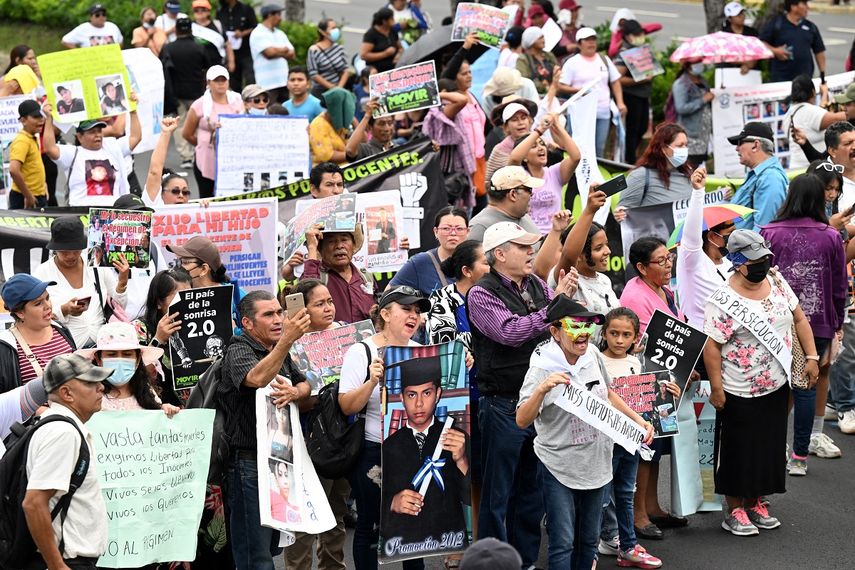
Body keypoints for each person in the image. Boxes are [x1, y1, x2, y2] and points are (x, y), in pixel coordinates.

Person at [467, 222, 577, 568]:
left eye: (531, 247)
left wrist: (560, 305)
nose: (531, 252)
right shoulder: (481, 293)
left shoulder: (534, 284)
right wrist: (554, 307)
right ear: (500, 254)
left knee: (532, 487)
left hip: (539, 399)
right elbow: (508, 332)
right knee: (497, 492)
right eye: (523, 247)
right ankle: (491, 562)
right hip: (502, 400)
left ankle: (525, 559)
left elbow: (553, 324)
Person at [516, 295, 653, 569]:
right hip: (559, 466)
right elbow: (522, 419)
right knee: (562, 542)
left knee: (588, 541)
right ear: (555, 331)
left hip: (597, 463)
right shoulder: (542, 366)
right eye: (574, 326)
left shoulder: (591, 353)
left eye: (588, 326)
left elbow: (608, 393)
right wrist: (543, 389)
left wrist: (639, 421)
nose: (583, 334)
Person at [704, 230, 819, 535]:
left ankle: (756, 501)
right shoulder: (723, 300)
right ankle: (735, 509)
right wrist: (716, 387)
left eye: (765, 258)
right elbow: (712, 347)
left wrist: (811, 356)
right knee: (738, 449)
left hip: (776, 383)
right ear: (739, 263)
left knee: (767, 445)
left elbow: (799, 319)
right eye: (755, 260)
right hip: (738, 386)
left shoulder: (777, 281)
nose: (762, 264)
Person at [338, 286, 431, 570]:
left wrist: (459, 364)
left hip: (415, 450)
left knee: (412, 525)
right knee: (369, 523)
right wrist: (371, 382)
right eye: (407, 309)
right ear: (386, 314)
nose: (414, 316)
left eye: (417, 311)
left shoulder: (426, 352)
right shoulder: (362, 351)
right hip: (374, 450)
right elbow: (347, 406)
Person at [216, 290, 310, 569]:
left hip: (279, 462)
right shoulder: (238, 349)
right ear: (247, 323)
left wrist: (294, 391)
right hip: (248, 465)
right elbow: (256, 378)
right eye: (268, 314)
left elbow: (306, 384)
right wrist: (285, 342)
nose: (278, 319)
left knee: (270, 546)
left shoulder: (276, 348)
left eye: (279, 312)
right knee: (255, 555)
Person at [761, 174, 848, 469]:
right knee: (807, 386)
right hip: (819, 321)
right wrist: (838, 323)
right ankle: (799, 457)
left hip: (775, 321)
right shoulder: (830, 235)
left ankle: (774, 447)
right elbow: (839, 285)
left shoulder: (769, 232)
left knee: (774, 386)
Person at [619, 236, 685, 538]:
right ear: (642, 267)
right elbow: (650, 342)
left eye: (669, 257)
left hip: (665, 380)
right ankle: (638, 513)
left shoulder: (664, 289)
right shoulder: (634, 295)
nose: (669, 263)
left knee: (658, 447)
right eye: (661, 261)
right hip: (645, 382)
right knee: (646, 447)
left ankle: (653, 506)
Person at [22, 354, 112, 570]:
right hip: (68, 562)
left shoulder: (59, 427)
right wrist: (57, 566)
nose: (101, 388)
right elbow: (33, 503)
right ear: (66, 393)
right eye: (91, 382)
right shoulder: (62, 432)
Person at [379, 355, 470, 556]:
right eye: (411, 395)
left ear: (438, 394)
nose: (419, 404)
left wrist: (462, 461)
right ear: (401, 398)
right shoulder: (389, 446)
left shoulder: (456, 438)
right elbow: (376, 501)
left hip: (448, 537)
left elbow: (470, 499)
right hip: (404, 540)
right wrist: (393, 503)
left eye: (426, 393)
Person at [596, 307, 664, 568]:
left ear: (636, 337)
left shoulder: (636, 363)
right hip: (605, 440)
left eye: (626, 335)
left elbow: (646, 399)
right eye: (614, 333)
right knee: (602, 495)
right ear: (604, 333)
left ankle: (628, 544)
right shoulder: (597, 360)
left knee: (626, 492)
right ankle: (597, 542)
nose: (619, 340)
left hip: (631, 440)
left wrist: (665, 390)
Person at [33, 216, 129, 349]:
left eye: (76, 250)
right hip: (65, 350)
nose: (71, 256)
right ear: (55, 249)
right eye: (65, 251)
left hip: (102, 345)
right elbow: (35, 314)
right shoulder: (42, 273)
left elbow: (119, 306)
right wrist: (64, 310)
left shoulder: (96, 264)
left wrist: (122, 282)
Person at [42, 106, 141, 207]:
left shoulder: (113, 149)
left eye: (99, 131)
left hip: (111, 215)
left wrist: (133, 111)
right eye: (92, 132)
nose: (97, 135)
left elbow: (135, 137)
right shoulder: (73, 154)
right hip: (81, 215)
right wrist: (49, 119)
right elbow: (49, 148)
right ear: (79, 137)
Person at [76, 322, 180, 416]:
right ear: (98, 359)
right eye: (112, 354)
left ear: (138, 359)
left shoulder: (146, 391)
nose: (120, 360)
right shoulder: (90, 396)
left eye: (127, 354)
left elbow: (154, 420)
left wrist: (164, 410)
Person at [676, 167, 735, 329]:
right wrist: (698, 192)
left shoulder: (729, 264)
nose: (735, 237)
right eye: (730, 232)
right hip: (700, 341)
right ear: (712, 236)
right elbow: (691, 236)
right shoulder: (693, 262)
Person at [0, 274, 76, 391]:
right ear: (20, 312)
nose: (48, 306)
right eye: (38, 303)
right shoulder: (6, 348)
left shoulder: (60, 329)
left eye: (47, 298)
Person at [160, 16, 218, 169]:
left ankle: (186, 156)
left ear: (176, 30)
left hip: (176, 93)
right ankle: (200, 152)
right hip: (197, 93)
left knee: (180, 125)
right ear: (191, 29)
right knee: (199, 123)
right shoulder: (200, 47)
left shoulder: (168, 48)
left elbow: (164, 71)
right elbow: (209, 67)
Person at [508, 113, 580, 235]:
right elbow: (514, 158)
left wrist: (556, 125)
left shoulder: (554, 173)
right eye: (534, 146)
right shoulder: (519, 176)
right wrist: (540, 130)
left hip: (554, 237)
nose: (541, 148)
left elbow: (576, 157)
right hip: (528, 238)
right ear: (524, 157)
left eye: (542, 144)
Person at [559, 27, 626, 158]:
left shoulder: (604, 60)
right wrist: (580, 91)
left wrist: (620, 102)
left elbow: (615, 81)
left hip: (602, 111)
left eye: (593, 40)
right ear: (579, 44)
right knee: (578, 147)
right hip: (580, 112)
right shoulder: (572, 62)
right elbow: (561, 86)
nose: (591, 43)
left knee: (599, 148)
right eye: (587, 40)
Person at [441, 33, 488, 209]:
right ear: (454, 77)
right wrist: (465, 47)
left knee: (481, 208)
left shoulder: (473, 96)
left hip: (480, 162)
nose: (469, 76)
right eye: (463, 74)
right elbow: (446, 74)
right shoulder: (451, 102)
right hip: (462, 166)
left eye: (470, 72)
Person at [182, 64, 244, 198]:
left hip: (233, 158)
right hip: (206, 158)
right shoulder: (199, 105)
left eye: (223, 80)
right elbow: (187, 133)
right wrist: (202, 144)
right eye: (217, 80)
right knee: (207, 197)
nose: (221, 84)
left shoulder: (238, 101)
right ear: (209, 83)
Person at [302, 224, 376, 323]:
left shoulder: (366, 277)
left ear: (353, 245)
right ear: (320, 249)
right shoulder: (316, 276)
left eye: (344, 239)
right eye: (331, 241)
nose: (339, 246)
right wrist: (312, 247)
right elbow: (306, 294)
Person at [390, 207, 470, 296]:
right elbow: (389, 294)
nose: (453, 233)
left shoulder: (477, 259)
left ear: (468, 232)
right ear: (436, 232)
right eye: (446, 228)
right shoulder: (420, 262)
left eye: (459, 229)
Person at [617, 123, 693, 213]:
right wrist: (620, 213)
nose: (685, 149)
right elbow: (624, 214)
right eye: (680, 145)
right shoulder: (640, 176)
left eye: (686, 145)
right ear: (663, 148)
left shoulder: (688, 174)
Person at [728, 122, 790, 232]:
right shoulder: (761, 175)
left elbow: (765, 230)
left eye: (740, 143)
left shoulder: (770, 178)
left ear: (755, 145)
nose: (737, 148)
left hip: (750, 248)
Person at [613, 20, 653, 165]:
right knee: (632, 129)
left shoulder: (641, 49)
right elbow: (617, 78)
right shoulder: (624, 53)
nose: (640, 36)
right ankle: (629, 160)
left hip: (643, 95)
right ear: (628, 36)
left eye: (641, 33)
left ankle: (631, 156)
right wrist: (640, 80)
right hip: (631, 96)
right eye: (636, 34)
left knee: (642, 127)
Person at [786, 75, 847, 169]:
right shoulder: (811, 112)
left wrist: (824, 94)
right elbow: (839, 118)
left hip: (795, 168)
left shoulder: (789, 113)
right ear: (813, 92)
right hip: (811, 170)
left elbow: (818, 117)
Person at [468, 166, 542, 242]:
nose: (532, 194)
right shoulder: (481, 227)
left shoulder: (522, 216)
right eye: (529, 190)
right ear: (513, 194)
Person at [760, 0, 826, 84]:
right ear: (793, 7)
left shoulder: (811, 27)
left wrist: (822, 73)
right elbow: (761, 43)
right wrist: (775, 51)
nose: (807, 7)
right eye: (804, 4)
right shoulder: (777, 24)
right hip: (781, 78)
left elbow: (819, 51)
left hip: (804, 79)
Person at [485, 99, 537, 192]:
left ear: (530, 121)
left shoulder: (541, 142)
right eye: (514, 120)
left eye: (523, 118)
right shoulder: (500, 150)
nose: (520, 123)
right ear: (506, 127)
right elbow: (489, 181)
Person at [670, 60, 714, 169]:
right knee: (688, 165)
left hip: (703, 133)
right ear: (688, 66)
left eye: (701, 61)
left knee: (699, 162)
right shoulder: (680, 84)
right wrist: (702, 100)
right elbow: (681, 108)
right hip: (690, 133)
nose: (700, 65)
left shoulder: (702, 80)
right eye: (697, 63)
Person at [142, 117, 192, 207]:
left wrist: (204, 208)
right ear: (161, 193)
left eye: (185, 192)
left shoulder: (192, 212)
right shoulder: (155, 204)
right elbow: (155, 172)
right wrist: (166, 133)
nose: (181, 195)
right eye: (175, 191)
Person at [250, 4, 295, 103]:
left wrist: (276, 50)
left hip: (283, 81)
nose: (280, 18)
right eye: (278, 15)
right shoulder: (258, 32)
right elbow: (269, 53)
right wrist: (284, 50)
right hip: (267, 84)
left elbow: (292, 53)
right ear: (270, 15)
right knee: (270, 113)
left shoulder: (280, 33)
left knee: (284, 113)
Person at [8, 100, 47, 210]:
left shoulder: (31, 138)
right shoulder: (22, 141)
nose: (41, 120)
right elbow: (14, 170)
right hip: (25, 198)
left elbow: (33, 167)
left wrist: (43, 186)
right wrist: (28, 195)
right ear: (23, 120)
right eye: (35, 117)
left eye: (41, 116)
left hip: (37, 195)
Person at [217, 0, 258, 91]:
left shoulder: (246, 9)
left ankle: (251, 97)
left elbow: (254, 26)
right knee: (234, 80)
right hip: (229, 50)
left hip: (245, 50)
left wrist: (242, 33)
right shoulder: (220, 11)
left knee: (250, 77)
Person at [309, 88, 355, 166]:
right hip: (327, 172)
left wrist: (352, 117)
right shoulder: (318, 125)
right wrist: (353, 156)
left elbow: (363, 141)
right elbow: (328, 156)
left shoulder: (342, 122)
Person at [308, 19, 351, 99]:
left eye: (336, 27)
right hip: (320, 92)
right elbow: (313, 73)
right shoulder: (314, 50)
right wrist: (331, 87)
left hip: (338, 91)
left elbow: (345, 70)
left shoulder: (339, 48)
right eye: (332, 28)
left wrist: (339, 88)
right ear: (323, 32)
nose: (336, 30)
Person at [191, 0, 236, 72]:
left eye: (203, 10)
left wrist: (231, 62)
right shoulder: (190, 27)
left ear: (208, 11)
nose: (200, 12)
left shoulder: (218, 25)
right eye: (196, 10)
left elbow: (227, 44)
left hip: (217, 66)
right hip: (197, 67)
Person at [516, 27, 557, 96]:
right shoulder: (523, 59)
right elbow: (525, 81)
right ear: (531, 41)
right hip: (533, 97)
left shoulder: (549, 56)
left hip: (554, 94)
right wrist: (543, 86)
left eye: (543, 37)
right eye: (540, 38)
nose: (543, 40)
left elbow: (559, 73)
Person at [360, 8, 401, 74]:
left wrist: (398, 55)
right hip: (376, 68)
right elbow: (364, 55)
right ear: (384, 21)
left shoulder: (392, 31)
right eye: (391, 19)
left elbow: (400, 48)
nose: (393, 21)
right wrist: (385, 54)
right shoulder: (371, 34)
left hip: (393, 66)